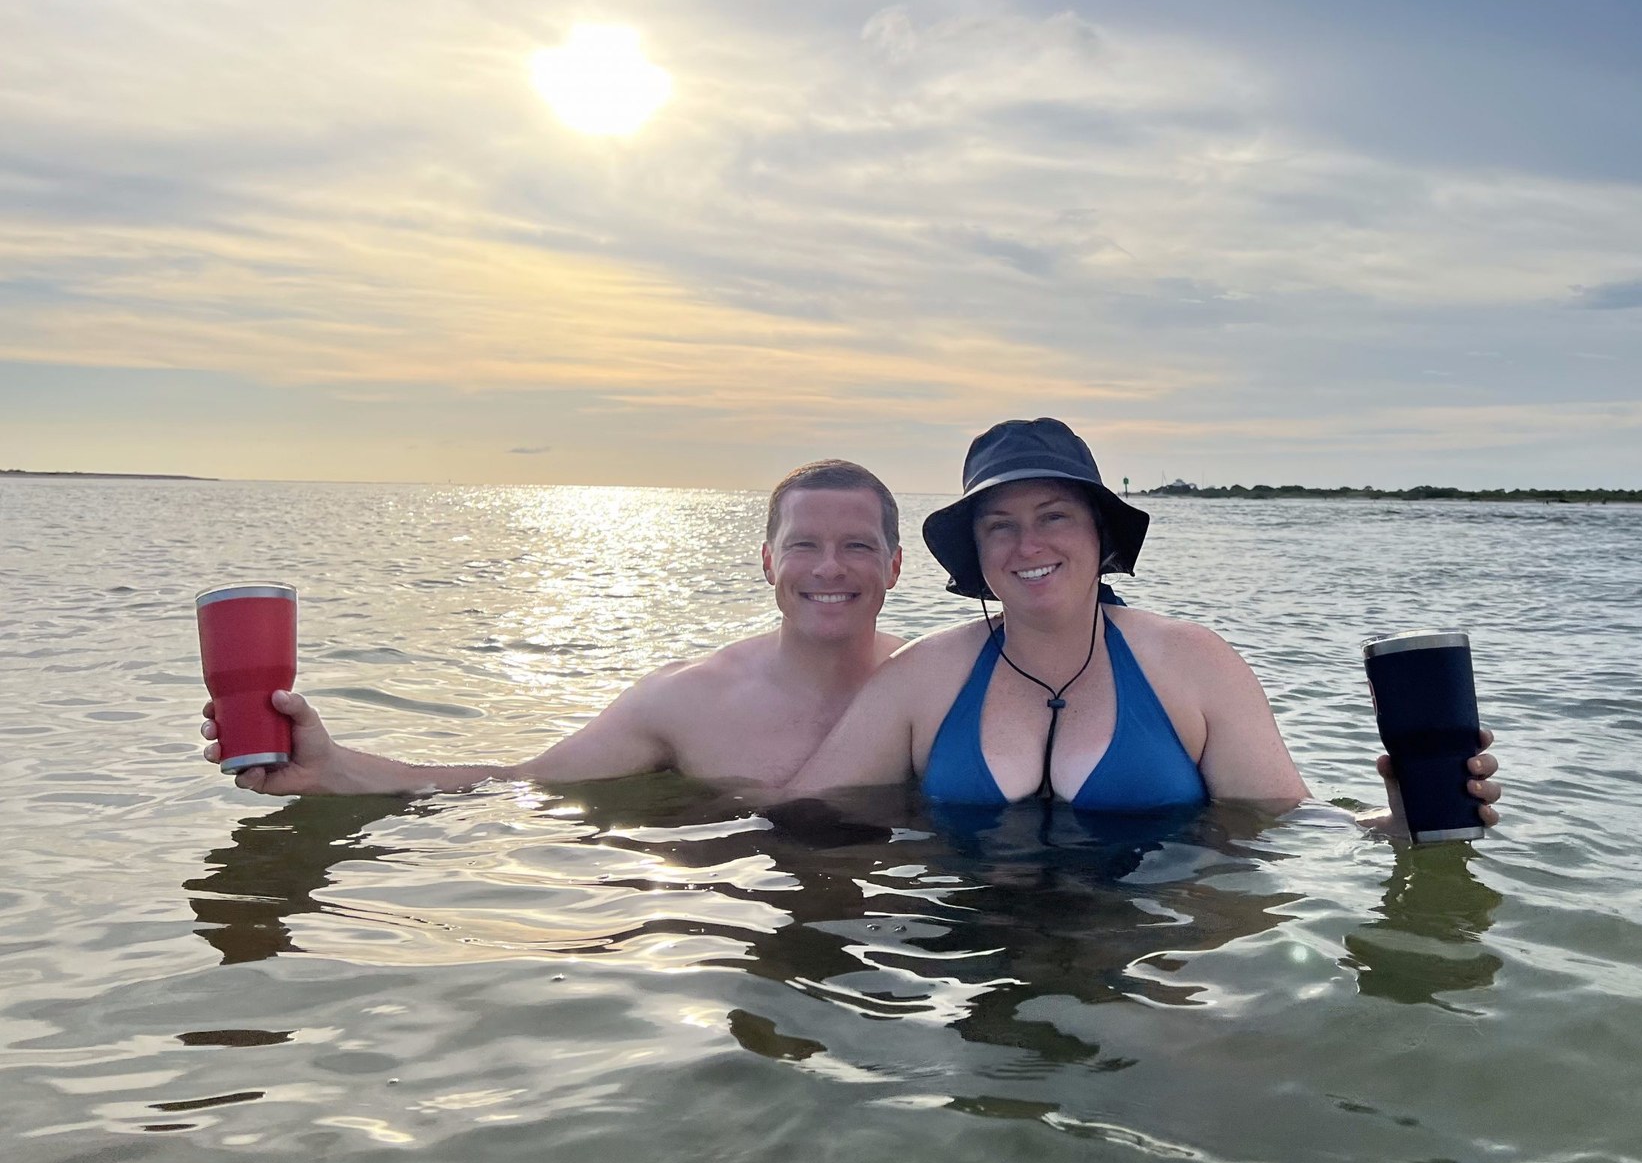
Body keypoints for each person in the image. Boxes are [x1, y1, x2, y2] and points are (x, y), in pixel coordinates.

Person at [779, 418, 1500, 833]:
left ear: (1100, 536)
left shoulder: (1192, 662)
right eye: (1000, 526)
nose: (1027, 546)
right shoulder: (924, 676)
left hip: (1152, 970)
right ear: (977, 552)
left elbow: (1289, 829)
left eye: (1053, 517)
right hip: (973, 966)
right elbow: (801, 818)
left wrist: (1399, 822)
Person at [205, 460, 906, 794]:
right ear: (766, 562)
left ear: (896, 566)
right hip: (737, 913)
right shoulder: (687, 701)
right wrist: (333, 767)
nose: (829, 569)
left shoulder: (938, 685)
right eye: (804, 546)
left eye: (858, 547)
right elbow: (516, 785)